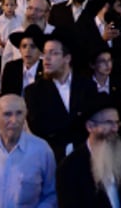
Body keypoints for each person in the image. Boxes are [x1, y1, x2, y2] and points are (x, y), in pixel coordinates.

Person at [56, 94, 121, 208]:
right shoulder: (70, 167)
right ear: (90, 126)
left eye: (117, 123)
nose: (115, 128)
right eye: (109, 122)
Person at [25, 32, 97, 163]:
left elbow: (92, 121)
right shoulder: (34, 91)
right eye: (45, 53)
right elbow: (39, 127)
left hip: (84, 159)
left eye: (53, 53)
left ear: (67, 58)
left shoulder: (87, 86)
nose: (46, 58)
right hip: (49, 159)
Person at [0, 25, 45, 97]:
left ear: (40, 51)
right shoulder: (11, 68)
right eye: (24, 46)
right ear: (20, 50)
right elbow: (5, 95)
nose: (28, 50)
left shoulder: (46, 69)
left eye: (33, 47)